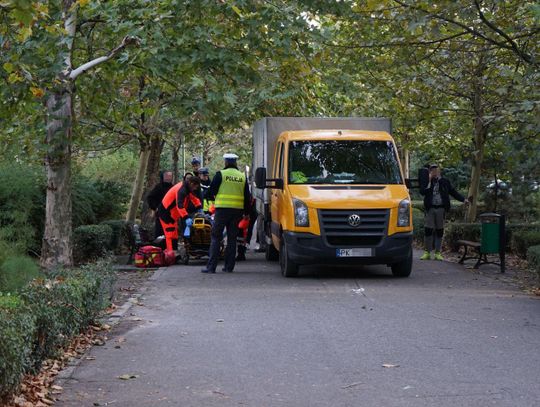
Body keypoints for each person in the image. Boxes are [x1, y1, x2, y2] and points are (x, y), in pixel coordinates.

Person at [201, 153, 250, 273]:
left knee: (216, 237)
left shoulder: (221, 174)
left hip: (222, 210)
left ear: (226, 162)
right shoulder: (242, 177)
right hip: (237, 212)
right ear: (236, 162)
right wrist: (247, 212)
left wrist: (210, 197)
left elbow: (211, 191)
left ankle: (211, 267)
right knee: (232, 239)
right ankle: (229, 267)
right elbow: (247, 196)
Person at [419, 164, 469, 261]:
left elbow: (453, 192)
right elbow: (422, 192)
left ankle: (438, 252)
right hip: (430, 208)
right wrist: (429, 180)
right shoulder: (427, 181)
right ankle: (427, 252)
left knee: (439, 230)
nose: (434, 172)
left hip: (441, 209)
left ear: (439, 171)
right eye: (432, 171)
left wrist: (463, 200)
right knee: (428, 230)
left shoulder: (445, 182)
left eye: (436, 170)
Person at [157, 177, 203, 253]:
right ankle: (170, 253)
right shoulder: (181, 190)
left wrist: (199, 208)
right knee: (170, 234)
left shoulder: (188, 188)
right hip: (165, 212)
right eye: (195, 187)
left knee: (174, 234)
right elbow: (180, 205)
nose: (195, 189)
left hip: (172, 215)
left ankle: (174, 253)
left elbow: (194, 198)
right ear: (191, 184)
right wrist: (186, 217)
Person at [146, 171, 173, 238]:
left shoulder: (172, 187)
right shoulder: (159, 187)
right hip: (161, 213)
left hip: (171, 214)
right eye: (166, 176)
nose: (168, 178)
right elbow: (150, 197)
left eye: (170, 176)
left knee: (170, 232)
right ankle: (159, 247)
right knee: (160, 232)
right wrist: (155, 207)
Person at [236, 196, 257, 261]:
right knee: (243, 232)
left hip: (247, 212)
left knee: (242, 232)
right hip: (247, 211)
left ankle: (241, 253)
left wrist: (246, 213)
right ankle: (242, 251)